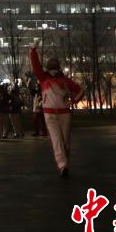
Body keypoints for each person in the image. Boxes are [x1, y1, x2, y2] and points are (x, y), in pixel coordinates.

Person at [30, 44, 84, 177]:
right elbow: (36, 66)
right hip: (50, 114)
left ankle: (64, 164)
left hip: (63, 114)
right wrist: (32, 51)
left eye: (54, 67)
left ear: (58, 68)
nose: (53, 70)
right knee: (57, 140)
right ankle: (63, 165)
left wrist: (74, 101)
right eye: (51, 67)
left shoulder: (65, 81)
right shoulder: (44, 78)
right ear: (49, 68)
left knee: (64, 140)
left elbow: (80, 90)